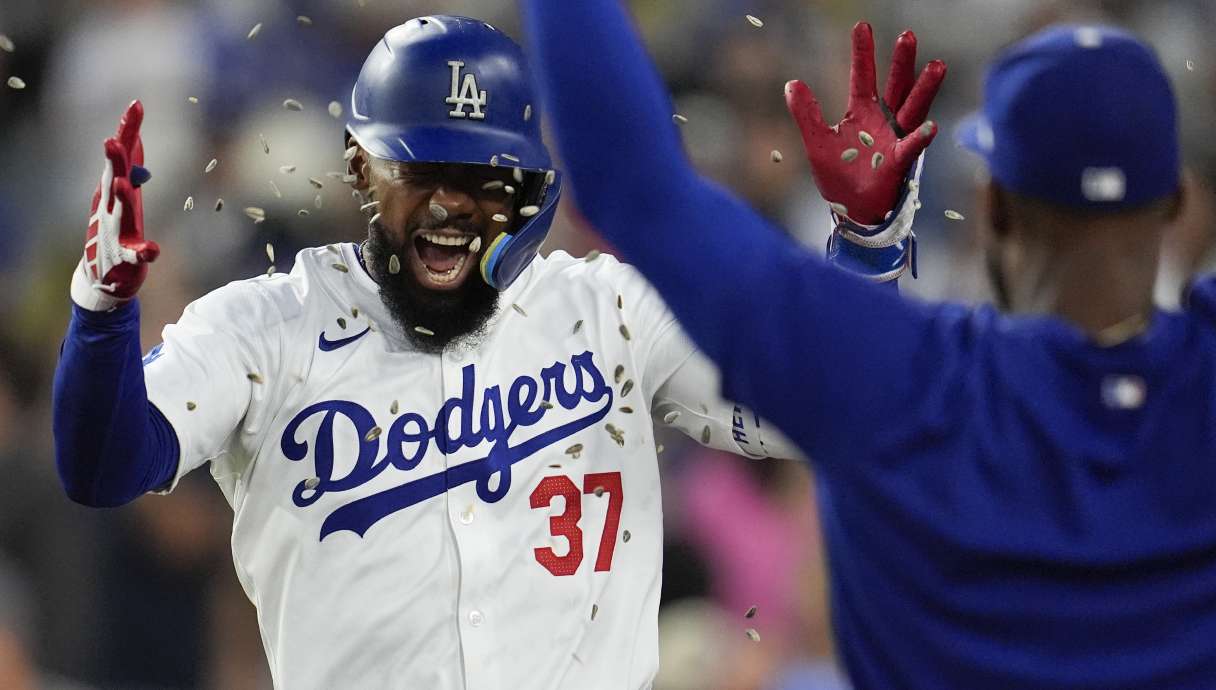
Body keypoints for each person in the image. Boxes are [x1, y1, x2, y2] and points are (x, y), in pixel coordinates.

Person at [50, 15, 833, 689]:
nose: (451, 202)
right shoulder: (265, 328)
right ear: (361, 169)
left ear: (529, 191)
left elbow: (819, 411)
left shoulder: (612, 310)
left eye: (485, 177)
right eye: (420, 170)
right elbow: (105, 465)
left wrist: (865, 251)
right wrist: (103, 313)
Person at [521, 2, 1216, 688]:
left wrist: (865, 247)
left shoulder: (900, 382)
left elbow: (633, 187)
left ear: (993, 207)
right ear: (1175, 202)